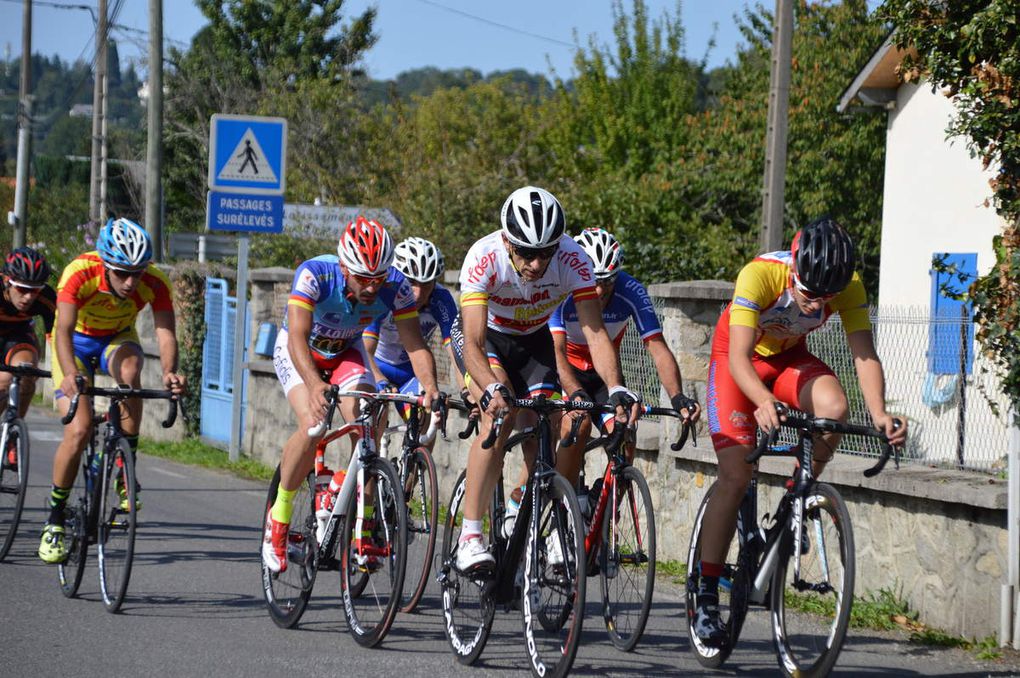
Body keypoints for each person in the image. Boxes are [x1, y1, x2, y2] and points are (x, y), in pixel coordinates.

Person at [692, 217, 908, 645]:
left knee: (835, 408)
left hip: (788, 358)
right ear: (793, 269)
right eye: (809, 293)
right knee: (735, 477)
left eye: (826, 297)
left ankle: (797, 494)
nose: (816, 305)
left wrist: (881, 413)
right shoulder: (760, 275)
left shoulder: (849, 286)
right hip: (739, 364)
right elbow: (737, 358)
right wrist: (761, 400)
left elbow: (864, 355)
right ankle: (704, 595)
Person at [451, 185, 639, 573]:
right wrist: (491, 388)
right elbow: (472, 342)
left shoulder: (573, 259)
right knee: (499, 416)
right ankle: (470, 535)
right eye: (525, 252)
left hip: (533, 341)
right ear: (507, 241)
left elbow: (595, 332)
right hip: (488, 340)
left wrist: (617, 387)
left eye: (545, 252)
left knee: (549, 434)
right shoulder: (483, 258)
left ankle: (535, 518)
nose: (536, 264)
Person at [263, 216, 440, 574]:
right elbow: (296, 335)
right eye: (363, 278)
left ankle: (364, 523)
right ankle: (278, 521)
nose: (372, 288)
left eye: (379, 278)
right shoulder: (315, 274)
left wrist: (431, 387)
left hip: (345, 351)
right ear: (344, 265)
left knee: (368, 422)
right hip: (301, 352)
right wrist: (313, 385)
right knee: (313, 426)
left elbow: (415, 345)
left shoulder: (396, 286)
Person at [40, 218, 187, 564]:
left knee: (132, 370)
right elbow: (61, 330)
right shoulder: (79, 272)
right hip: (74, 342)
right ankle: (55, 518)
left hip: (116, 339)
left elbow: (166, 333)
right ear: (105, 264)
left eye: (137, 272)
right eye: (122, 272)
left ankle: (124, 467)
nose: (130, 281)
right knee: (79, 430)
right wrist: (70, 374)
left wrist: (169, 372)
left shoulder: (154, 281)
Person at [363, 236, 468, 423]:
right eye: (411, 282)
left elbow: (456, 352)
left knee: (423, 422)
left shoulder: (441, 299)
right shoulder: (383, 295)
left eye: (426, 284)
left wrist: (466, 390)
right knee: (375, 420)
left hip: (410, 371)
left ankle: (416, 452)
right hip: (377, 366)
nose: (418, 293)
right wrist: (379, 380)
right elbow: (365, 349)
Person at [0, 247, 56, 469]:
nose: (28, 297)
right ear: (6, 280)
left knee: (24, 372)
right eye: (22, 289)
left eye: (35, 290)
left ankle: (14, 430)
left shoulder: (47, 298)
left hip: (19, 335)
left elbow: (58, 338)